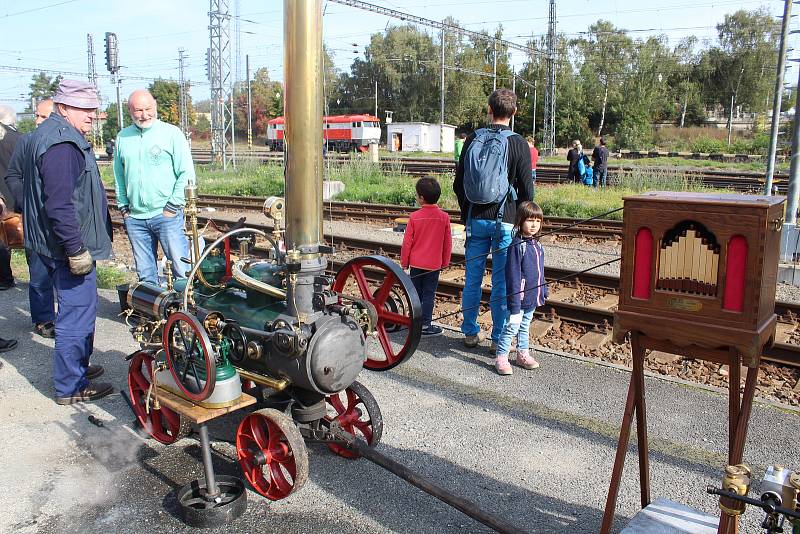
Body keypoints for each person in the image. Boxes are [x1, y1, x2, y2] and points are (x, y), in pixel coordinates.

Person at [22, 80, 113, 404]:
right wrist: (75, 249)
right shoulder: (63, 144)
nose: (92, 114)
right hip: (66, 248)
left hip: (49, 243)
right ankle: (71, 387)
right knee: (77, 315)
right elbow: (59, 204)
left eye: (93, 107)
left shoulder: (46, 134)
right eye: (84, 108)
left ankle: (77, 368)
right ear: (63, 107)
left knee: (77, 313)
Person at [454, 88, 534, 353]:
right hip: (505, 222)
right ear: (514, 113)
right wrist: (523, 222)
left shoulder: (473, 137)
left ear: (489, 110)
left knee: (472, 280)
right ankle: (499, 338)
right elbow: (526, 191)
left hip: (476, 219)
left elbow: (458, 183)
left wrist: (467, 214)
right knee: (501, 283)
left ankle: (469, 332)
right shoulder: (518, 143)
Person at [114, 89, 193, 285]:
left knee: (181, 268)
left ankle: (186, 310)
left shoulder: (171, 134)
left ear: (155, 107)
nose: (144, 114)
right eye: (138, 110)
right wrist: (124, 207)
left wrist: (172, 206)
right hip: (135, 218)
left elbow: (186, 173)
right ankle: (151, 312)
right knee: (145, 273)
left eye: (148, 109)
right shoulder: (122, 138)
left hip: (166, 215)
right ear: (130, 111)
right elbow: (119, 176)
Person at [4, 98, 57, 338]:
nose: (37, 121)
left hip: (62, 219)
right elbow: (13, 175)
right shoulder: (26, 141)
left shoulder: (66, 141)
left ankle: (67, 320)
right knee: (39, 273)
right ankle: (43, 319)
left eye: (42, 117)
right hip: (34, 219)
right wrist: (26, 201)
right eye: (37, 116)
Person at [493, 201, 547, 375]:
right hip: (519, 298)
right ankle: (501, 357)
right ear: (520, 221)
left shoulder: (538, 245)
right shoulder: (517, 245)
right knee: (512, 326)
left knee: (524, 326)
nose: (534, 225)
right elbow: (513, 276)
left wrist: (543, 291)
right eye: (530, 220)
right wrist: (515, 303)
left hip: (531, 297)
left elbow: (540, 271)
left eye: (537, 221)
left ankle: (522, 353)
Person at [400, 176, 452, 337]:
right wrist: (445, 262)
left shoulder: (414, 217)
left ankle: (414, 322)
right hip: (434, 264)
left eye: (417, 195)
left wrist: (404, 262)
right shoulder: (444, 217)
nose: (416, 197)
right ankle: (426, 324)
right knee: (429, 294)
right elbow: (447, 243)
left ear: (421, 198)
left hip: (416, 264)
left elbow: (407, 242)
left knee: (415, 294)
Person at [0, 105, 21, 290]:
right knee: (19, 237)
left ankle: (5, 279)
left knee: (2, 239)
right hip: (15, 194)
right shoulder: (19, 138)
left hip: (2, 195)